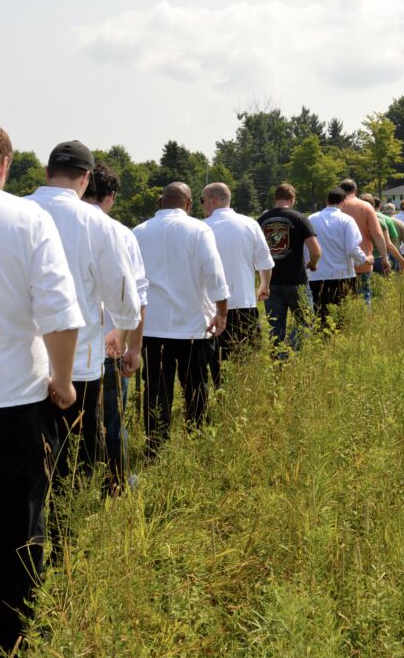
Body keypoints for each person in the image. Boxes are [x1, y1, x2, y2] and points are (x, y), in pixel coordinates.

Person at [0, 122, 83, 658]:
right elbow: (60, 316)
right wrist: (65, 381)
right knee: (19, 527)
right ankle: (10, 649)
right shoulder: (26, 219)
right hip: (15, 398)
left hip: (15, 395)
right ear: (4, 164)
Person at [28, 141, 141, 483]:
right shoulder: (97, 224)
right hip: (78, 363)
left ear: (46, 173)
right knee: (73, 458)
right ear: (85, 178)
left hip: (20, 363)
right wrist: (121, 332)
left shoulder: (17, 211)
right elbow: (124, 297)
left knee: (28, 461)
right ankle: (69, 529)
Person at [134, 182, 229, 457]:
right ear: (188, 204)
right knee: (196, 388)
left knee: (156, 392)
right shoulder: (199, 229)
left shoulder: (139, 232)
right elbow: (214, 274)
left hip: (152, 327)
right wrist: (221, 313)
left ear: (160, 202)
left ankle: (156, 446)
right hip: (192, 327)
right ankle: (197, 439)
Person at [83, 163, 148, 491]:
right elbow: (137, 297)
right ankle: (117, 481)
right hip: (110, 344)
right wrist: (134, 347)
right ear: (109, 197)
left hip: (59, 346)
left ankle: (74, 484)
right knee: (113, 419)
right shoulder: (120, 233)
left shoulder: (50, 224)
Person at [202, 181, 274, 385]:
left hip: (212, 307)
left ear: (213, 201)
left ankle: (222, 395)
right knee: (247, 357)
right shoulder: (249, 224)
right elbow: (265, 262)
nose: (202, 206)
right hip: (244, 302)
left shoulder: (202, 228)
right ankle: (247, 394)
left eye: (202, 201)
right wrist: (264, 285)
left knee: (216, 361)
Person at [257, 183, 321, 356]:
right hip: (296, 280)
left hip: (270, 282)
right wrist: (313, 264)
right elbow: (316, 251)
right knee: (305, 321)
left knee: (275, 327)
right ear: (292, 199)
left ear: (275, 199)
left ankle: (278, 361)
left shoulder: (261, 221)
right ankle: (291, 354)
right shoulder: (299, 218)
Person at [307, 188, 366, 330]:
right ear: (343, 202)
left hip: (316, 275)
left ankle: (321, 342)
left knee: (319, 314)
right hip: (342, 274)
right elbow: (352, 248)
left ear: (327, 201)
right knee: (341, 315)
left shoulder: (311, 219)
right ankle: (337, 342)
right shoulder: (347, 220)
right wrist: (364, 259)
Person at [339, 178, 389, 304]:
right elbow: (377, 235)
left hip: (339, 262)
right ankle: (365, 321)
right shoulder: (366, 206)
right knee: (364, 296)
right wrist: (384, 258)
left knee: (343, 299)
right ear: (356, 190)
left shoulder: (336, 207)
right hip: (363, 260)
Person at [361, 195, 404, 276]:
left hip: (362, 258)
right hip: (381, 257)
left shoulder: (355, 218)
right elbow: (392, 242)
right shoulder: (384, 219)